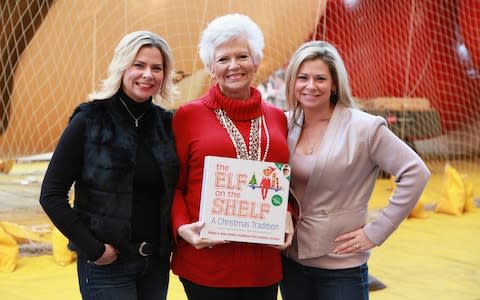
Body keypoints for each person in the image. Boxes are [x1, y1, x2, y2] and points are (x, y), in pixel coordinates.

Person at [279, 40, 431, 300]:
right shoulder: (284, 124)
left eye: (320, 78)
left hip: (341, 266)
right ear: (292, 81)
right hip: (291, 261)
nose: (310, 86)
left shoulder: (364, 128)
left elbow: (415, 172)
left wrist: (377, 231)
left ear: (335, 84)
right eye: (302, 77)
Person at [39, 31, 179, 300]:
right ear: (122, 66)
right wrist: (93, 249)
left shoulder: (166, 124)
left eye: (156, 68)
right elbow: (51, 195)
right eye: (139, 65)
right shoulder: (89, 120)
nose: (148, 74)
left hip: (155, 265)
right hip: (107, 266)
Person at [171, 14, 293, 300]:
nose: (234, 66)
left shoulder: (277, 119)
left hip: (262, 263)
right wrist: (181, 228)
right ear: (210, 68)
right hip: (206, 261)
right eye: (223, 59)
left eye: (242, 56)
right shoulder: (188, 116)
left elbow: (285, 183)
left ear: (257, 61)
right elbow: (174, 185)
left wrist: (288, 213)